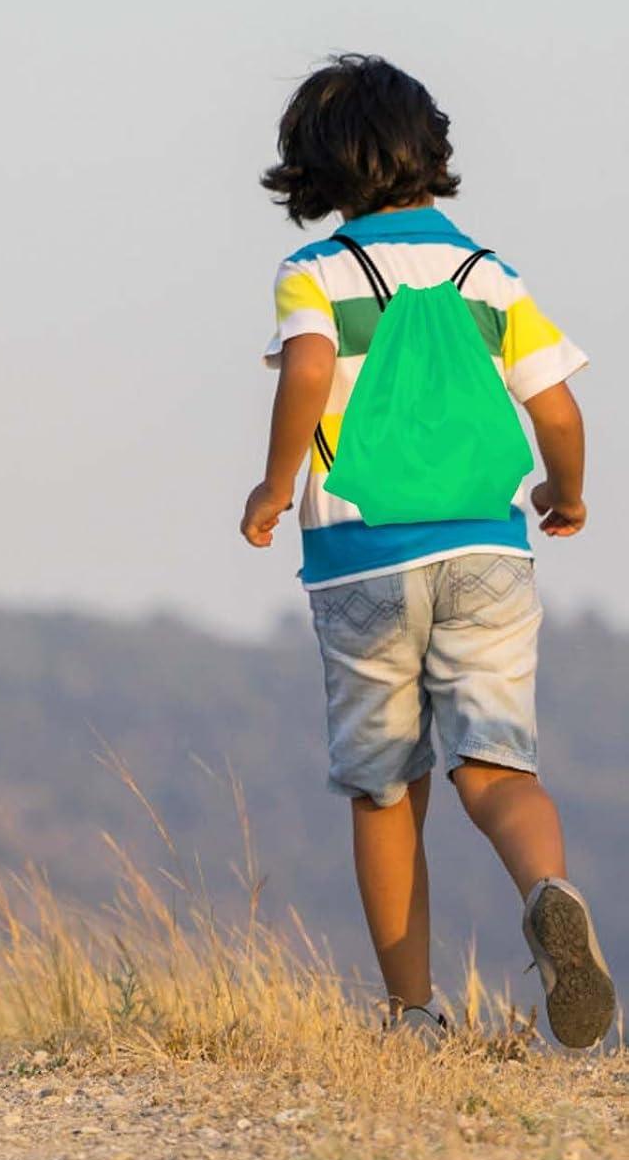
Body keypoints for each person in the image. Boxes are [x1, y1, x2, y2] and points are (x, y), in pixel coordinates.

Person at [240, 54, 615, 1049]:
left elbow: (310, 371)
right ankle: (547, 891)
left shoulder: (315, 274)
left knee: (383, 786)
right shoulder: (488, 275)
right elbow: (561, 409)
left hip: (361, 560)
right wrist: (564, 493)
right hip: (490, 552)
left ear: (313, 170)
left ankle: (412, 1013)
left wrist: (277, 483)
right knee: (497, 772)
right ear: (430, 153)